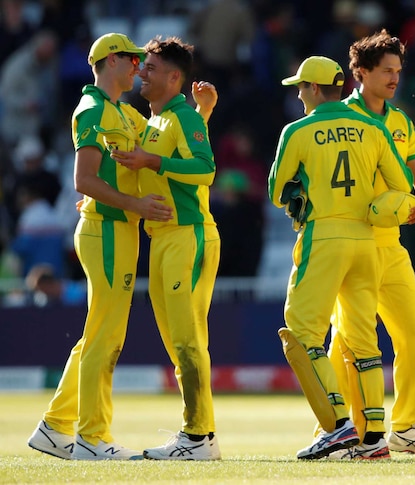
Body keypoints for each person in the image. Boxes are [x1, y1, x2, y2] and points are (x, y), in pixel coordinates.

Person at [26, 32, 201, 461]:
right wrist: (134, 203)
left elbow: (163, 144)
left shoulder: (123, 113)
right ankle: (91, 437)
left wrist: (204, 113)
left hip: (119, 229)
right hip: (105, 229)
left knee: (97, 335)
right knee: (106, 336)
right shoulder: (92, 110)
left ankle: (55, 426)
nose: (139, 67)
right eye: (132, 59)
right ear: (109, 62)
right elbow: (83, 181)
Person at [268, 55, 413, 460]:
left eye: (300, 87)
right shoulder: (373, 127)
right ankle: (373, 439)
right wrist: (375, 208)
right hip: (367, 239)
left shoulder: (297, 129)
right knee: (364, 340)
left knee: (300, 333)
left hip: (325, 235)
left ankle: (337, 425)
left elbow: (277, 191)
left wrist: (298, 191)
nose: (298, 93)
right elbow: (403, 188)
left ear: (315, 89)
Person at [326, 30, 415, 459]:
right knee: (347, 343)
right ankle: (352, 433)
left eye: (398, 71)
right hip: (349, 243)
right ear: (360, 73)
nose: (395, 78)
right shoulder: (339, 118)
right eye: (386, 71)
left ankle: (407, 427)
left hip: (391, 245)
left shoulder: (400, 122)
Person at [110, 37, 221, 460]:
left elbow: (206, 169)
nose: (142, 72)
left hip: (187, 235)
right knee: (180, 341)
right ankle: (200, 435)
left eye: (152, 68)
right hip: (164, 238)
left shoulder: (178, 118)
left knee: (187, 340)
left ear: (175, 77)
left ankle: (197, 437)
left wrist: (152, 162)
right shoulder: (157, 121)